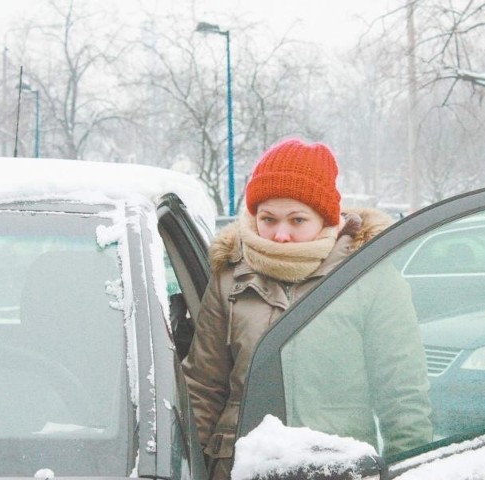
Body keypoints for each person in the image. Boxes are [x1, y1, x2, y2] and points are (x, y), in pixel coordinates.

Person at [181, 138, 431, 480]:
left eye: (297, 220)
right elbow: (203, 389)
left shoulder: (369, 278)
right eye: (268, 219)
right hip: (240, 469)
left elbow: (402, 397)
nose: (280, 235)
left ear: (327, 219)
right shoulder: (230, 278)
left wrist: (409, 469)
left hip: (337, 468)